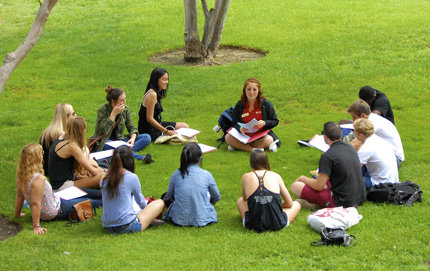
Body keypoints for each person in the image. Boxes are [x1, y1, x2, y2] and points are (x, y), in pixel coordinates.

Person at [14, 143, 102, 235]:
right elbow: (36, 203)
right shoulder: (38, 180)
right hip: (57, 210)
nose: (42, 156)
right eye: (41, 153)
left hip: (56, 200)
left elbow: (20, 196)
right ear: (36, 158)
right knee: (90, 202)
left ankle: (107, 196)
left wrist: (17, 214)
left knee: (84, 193)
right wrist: (36, 226)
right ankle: (111, 201)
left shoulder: (22, 177)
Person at [291, 122, 366, 208]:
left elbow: (318, 186)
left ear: (325, 137)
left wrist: (303, 178)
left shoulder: (327, 156)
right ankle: (318, 202)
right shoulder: (350, 148)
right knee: (321, 180)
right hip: (358, 197)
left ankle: (319, 204)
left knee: (296, 186)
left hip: (341, 202)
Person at [100, 146, 165, 234]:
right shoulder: (131, 177)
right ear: (130, 161)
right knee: (160, 202)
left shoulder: (104, 178)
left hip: (107, 226)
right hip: (126, 226)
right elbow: (141, 202)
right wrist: (149, 214)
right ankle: (150, 220)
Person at [237, 149, 300, 232]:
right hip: (278, 224)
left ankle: (255, 216)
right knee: (296, 204)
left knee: (240, 201)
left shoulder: (246, 176)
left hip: (253, 225)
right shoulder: (276, 176)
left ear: (251, 163)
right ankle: (276, 212)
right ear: (266, 162)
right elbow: (289, 203)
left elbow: (245, 199)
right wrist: (272, 203)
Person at [162, 143, 221, 227]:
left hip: (179, 219)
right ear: (201, 157)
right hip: (203, 218)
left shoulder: (176, 173)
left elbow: (169, 196)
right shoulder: (206, 174)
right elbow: (217, 196)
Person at [92, 86, 152, 162]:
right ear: (113, 101)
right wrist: (113, 114)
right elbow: (104, 130)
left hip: (119, 140)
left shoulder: (125, 109)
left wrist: (133, 138)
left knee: (146, 137)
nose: (125, 102)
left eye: (125, 99)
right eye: (122, 100)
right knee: (109, 146)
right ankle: (140, 157)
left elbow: (131, 127)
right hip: (105, 142)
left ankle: (123, 151)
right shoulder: (102, 110)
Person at [48, 117, 105, 191]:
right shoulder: (72, 146)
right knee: (102, 176)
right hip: (63, 186)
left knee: (94, 165)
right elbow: (93, 172)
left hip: (58, 181)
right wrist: (102, 171)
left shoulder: (61, 138)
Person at [225, 78, 280, 152]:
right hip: (244, 136)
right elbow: (235, 122)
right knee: (228, 137)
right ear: (244, 91)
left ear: (258, 91)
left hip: (260, 136)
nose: (251, 92)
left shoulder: (266, 104)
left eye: (254, 89)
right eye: (249, 89)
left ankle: (240, 146)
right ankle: (252, 149)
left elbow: (275, 121)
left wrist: (264, 123)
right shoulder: (239, 105)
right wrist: (240, 128)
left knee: (269, 140)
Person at [347, 99, 404, 165]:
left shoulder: (372, 124)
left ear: (362, 115)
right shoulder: (371, 119)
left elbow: (357, 142)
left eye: (354, 117)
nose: (353, 120)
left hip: (394, 157)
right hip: (388, 153)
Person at [138, 68, 189, 141]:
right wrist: (167, 132)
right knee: (179, 137)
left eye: (167, 79)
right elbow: (149, 119)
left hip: (157, 124)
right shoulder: (152, 94)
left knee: (185, 126)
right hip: (149, 130)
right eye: (164, 80)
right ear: (156, 80)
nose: (166, 82)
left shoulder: (156, 93)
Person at [353, 118, 399, 189]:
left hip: (380, 184)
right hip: (392, 180)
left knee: (349, 182)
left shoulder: (366, 148)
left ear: (361, 135)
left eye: (355, 133)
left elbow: (353, 169)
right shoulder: (380, 140)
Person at [39, 103, 76, 176]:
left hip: (45, 169)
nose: (76, 116)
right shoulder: (61, 135)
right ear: (66, 117)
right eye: (73, 114)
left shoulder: (47, 131)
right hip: (57, 174)